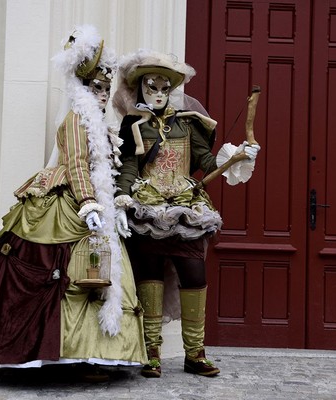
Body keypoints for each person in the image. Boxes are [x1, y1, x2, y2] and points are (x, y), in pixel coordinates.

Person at [0, 25, 147, 373]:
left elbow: (103, 168)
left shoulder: (98, 124)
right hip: (71, 203)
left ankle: (90, 355)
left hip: (95, 201)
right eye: (96, 88)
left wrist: (113, 201)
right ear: (82, 88)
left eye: (106, 89)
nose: (102, 95)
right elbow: (76, 164)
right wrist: (88, 203)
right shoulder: (75, 119)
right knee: (72, 270)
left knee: (96, 271)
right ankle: (56, 353)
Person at [112, 49, 260, 377]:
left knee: (194, 275)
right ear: (141, 90)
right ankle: (151, 353)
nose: (159, 94)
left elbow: (205, 162)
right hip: (147, 207)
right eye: (152, 88)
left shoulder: (190, 125)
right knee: (149, 279)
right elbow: (130, 167)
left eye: (165, 88)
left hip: (185, 205)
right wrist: (122, 195)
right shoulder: (133, 125)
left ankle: (195, 353)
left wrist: (235, 157)